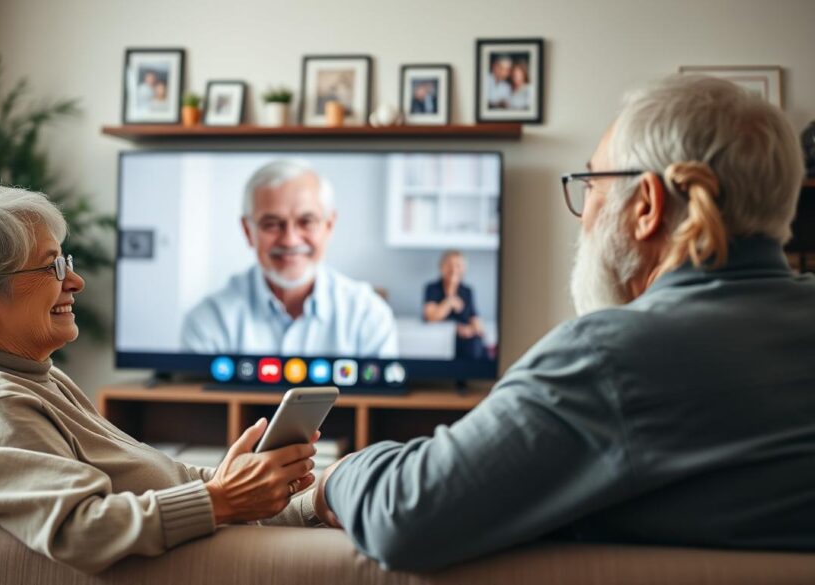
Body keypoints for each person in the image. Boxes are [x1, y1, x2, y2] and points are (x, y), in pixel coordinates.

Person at [312, 75, 815, 570]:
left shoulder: (611, 358)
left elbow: (404, 514)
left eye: (592, 182)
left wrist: (336, 474)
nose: (584, 214)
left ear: (646, 207)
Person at [0, 185, 324, 557]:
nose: (75, 282)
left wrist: (299, 498)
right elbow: (82, 528)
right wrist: (222, 498)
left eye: (66, 262)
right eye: (52, 266)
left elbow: (165, 483)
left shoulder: (35, 378)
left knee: (347, 482)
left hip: (213, 540)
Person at [181, 160, 398, 357]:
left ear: (329, 226)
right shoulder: (209, 321)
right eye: (272, 224)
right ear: (248, 231)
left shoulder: (367, 315)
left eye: (306, 221)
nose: (290, 240)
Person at [422, 250, 485, 360]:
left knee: (477, 345)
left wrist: (473, 330)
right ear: (441, 267)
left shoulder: (467, 291)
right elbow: (431, 317)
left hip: (465, 340)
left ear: (464, 269)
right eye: (449, 265)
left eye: (458, 265)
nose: (454, 269)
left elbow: (474, 317)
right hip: (441, 339)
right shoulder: (432, 288)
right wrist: (449, 302)